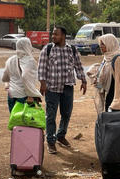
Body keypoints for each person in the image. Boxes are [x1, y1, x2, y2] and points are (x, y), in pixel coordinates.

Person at [38, 26, 87, 154]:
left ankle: (61, 135)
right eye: (52, 35)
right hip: (52, 88)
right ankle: (50, 141)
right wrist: (42, 83)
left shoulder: (72, 50)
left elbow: (78, 66)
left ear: (63, 36)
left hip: (68, 87)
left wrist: (84, 80)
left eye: (56, 34)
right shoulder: (47, 49)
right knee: (51, 115)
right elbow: (42, 68)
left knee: (66, 113)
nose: (53, 37)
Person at [87, 33, 120, 114]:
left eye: (103, 44)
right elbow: (102, 79)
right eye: (100, 44)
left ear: (110, 44)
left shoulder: (118, 60)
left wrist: (117, 104)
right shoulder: (106, 59)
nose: (100, 46)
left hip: (117, 99)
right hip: (109, 97)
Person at [2, 37, 42, 113]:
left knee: (14, 119)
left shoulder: (11, 59)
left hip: (11, 95)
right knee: (26, 121)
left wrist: (9, 87)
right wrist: (30, 95)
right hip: (23, 95)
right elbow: (25, 77)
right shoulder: (30, 60)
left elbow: (5, 77)